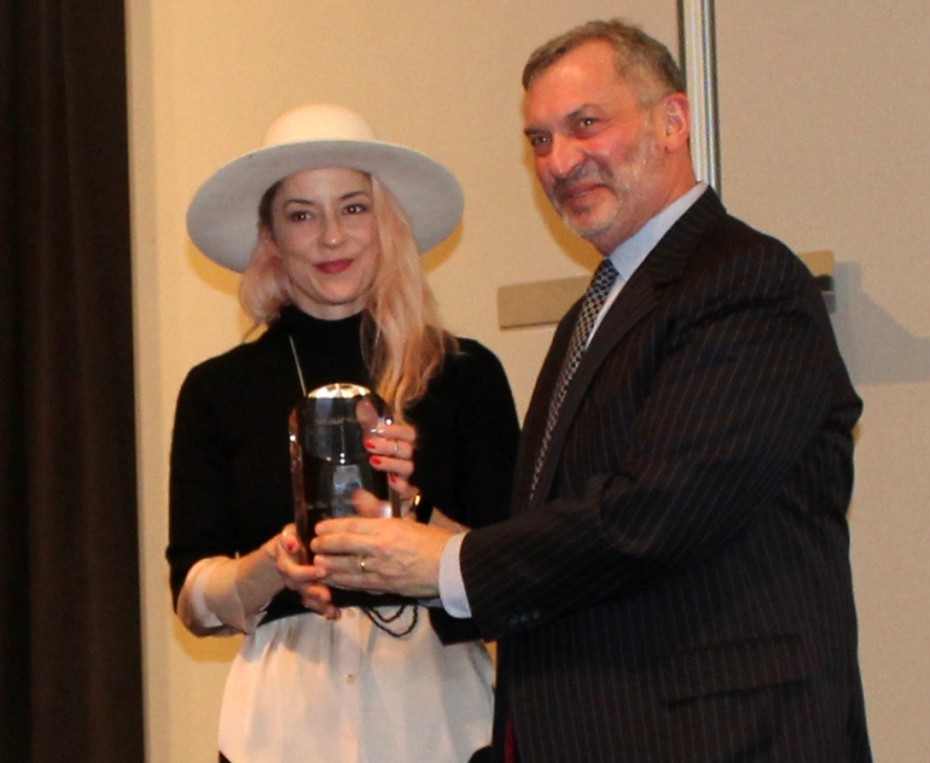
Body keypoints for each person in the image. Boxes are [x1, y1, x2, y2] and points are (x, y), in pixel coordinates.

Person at [316, 19, 873, 763]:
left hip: (724, 738)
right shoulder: (594, 311)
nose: (560, 161)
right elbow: (567, 531)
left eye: (586, 124)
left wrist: (447, 564)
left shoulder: (746, 283)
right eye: (539, 140)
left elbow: (655, 513)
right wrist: (409, 532)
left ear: (672, 121)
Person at [166, 103, 520, 763]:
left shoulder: (465, 375)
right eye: (302, 214)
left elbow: (515, 575)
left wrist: (415, 512)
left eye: (353, 208)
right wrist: (267, 569)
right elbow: (193, 595)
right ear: (270, 236)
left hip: (441, 724)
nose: (331, 237)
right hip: (276, 729)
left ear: (386, 221)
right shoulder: (219, 389)